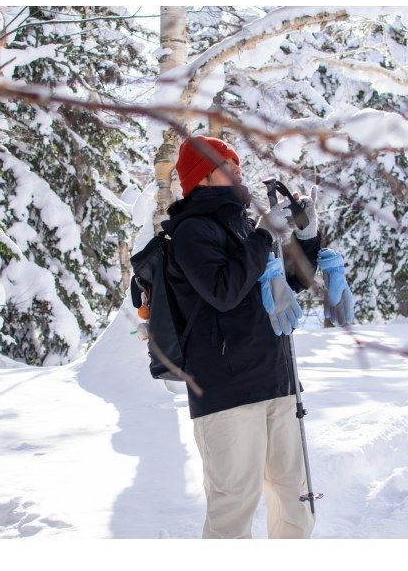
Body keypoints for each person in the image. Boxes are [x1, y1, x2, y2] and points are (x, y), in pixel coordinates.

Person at [160, 135, 321, 539]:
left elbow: (286, 286)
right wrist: (264, 234)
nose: (238, 170)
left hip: (277, 381)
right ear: (201, 177)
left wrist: (307, 238)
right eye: (226, 165)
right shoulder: (191, 232)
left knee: (294, 497)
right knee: (234, 505)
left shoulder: (242, 225)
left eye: (237, 163)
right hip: (226, 391)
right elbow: (223, 291)